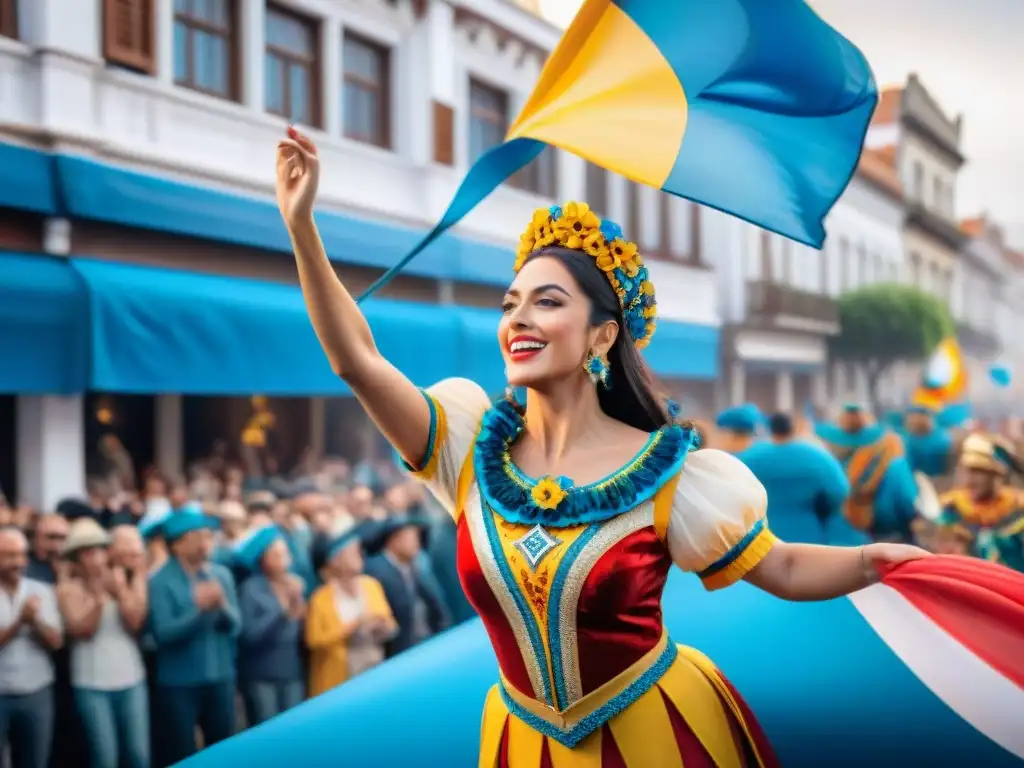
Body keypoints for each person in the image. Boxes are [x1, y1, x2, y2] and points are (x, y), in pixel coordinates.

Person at [275, 128, 929, 766]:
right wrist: (302, 228)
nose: (518, 320)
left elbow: (780, 568)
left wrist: (875, 560)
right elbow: (356, 361)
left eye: (547, 302)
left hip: (657, 735)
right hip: (522, 745)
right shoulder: (466, 448)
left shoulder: (675, 476)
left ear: (599, 337)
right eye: (511, 304)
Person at [147, 505, 240, 764]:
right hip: (179, 683)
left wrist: (222, 606)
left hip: (219, 676)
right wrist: (197, 612)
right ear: (176, 545)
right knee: (180, 752)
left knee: (224, 749)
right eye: (195, 537)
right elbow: (163, 634)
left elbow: (235, 627)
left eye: (207, 536)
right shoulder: (159, 581)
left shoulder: (220, 574)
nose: (204, 543)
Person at [55, 519, 149, 768]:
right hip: (91, 682)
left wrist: (120, 592)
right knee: (104, 757)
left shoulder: (125, 579)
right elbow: (82, 630)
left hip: (131, 678)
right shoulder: (67, 588)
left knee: (139, 754)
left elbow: (136, 622)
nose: (95, 557)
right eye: (87, 552)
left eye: (99, 549)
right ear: (76, 558)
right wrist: (99, 599)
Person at [306, 522, 396, 697]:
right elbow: (314, 640)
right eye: (352, 552)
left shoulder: (371, 585)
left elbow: (391, 625)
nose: (359, 555)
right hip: (340, 677)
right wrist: (352, 626)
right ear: (335, 560)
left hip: (374, 666)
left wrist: (383, 626)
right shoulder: (320, 598)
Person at [0, 526, 63, 768]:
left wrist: (35, 621)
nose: (17, 562)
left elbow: (56, 642)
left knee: (36, 761)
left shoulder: (41, 591)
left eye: (21, 555)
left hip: (36, 692)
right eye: (9, 555)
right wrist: (19, 622)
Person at [739, 413, 852, 545]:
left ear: (770, 429)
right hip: (807, 537)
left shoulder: (748, 458)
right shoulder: (816, 456)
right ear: (792, 429)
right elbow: (840, 491)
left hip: (760, 540)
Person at [817, 403, 919, 543]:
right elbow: (906, 500)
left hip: (832, 540)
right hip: (885, 535)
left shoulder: (819, 452)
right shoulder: (889, 447)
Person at [235, 525, 306, 725]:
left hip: (291, 671)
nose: (283, 559)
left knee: (293, 727)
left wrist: (300, 606)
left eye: (285, 553)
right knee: (266, 726)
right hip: (262, 674)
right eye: (276, 554)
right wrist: (281, 612)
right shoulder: (251, 589)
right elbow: (250, 635)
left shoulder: (295, 583)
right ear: (263, 559)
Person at [933, 434, 1024, 571]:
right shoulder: (952, 507)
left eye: (978, 472)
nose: (969, 480)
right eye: (967, 471)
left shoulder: (1017, 507)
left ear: (997, 475)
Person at [361, 516, 449, 658]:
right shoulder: (377, 571)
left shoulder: (414, 566)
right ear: (394, 540)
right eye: (411, 538)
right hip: (400, 651)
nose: (417, 544)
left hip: (425, 642)